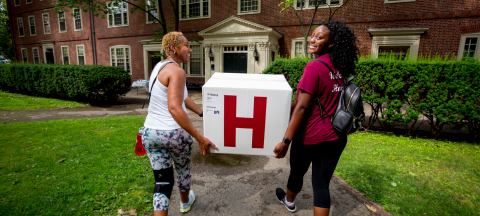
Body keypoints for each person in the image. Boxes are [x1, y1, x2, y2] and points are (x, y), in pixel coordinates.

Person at [273, 21, 359, 216]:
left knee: (297, 173)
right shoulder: (341, 68)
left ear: (331, 43)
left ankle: (290, 201)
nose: (312, 39)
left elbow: (303, 107)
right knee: (321, 185)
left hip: (309, 137)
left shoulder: (314, 67)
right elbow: (315, 100)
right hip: (336, 137)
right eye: (312, 35)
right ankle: (289, 201)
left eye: (319, 37)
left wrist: (286, 141)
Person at [141, 31, 217, 216]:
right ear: (173, 48)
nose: (190, 49)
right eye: (186, 45)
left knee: (162, 181)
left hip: (150, 133)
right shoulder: (178, 71)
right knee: (183, 170)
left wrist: (201, 113)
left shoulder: (158, 68)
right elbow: (175, 108)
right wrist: (199, 137)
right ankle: (184, 203)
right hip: (173, 134)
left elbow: (183, 98)